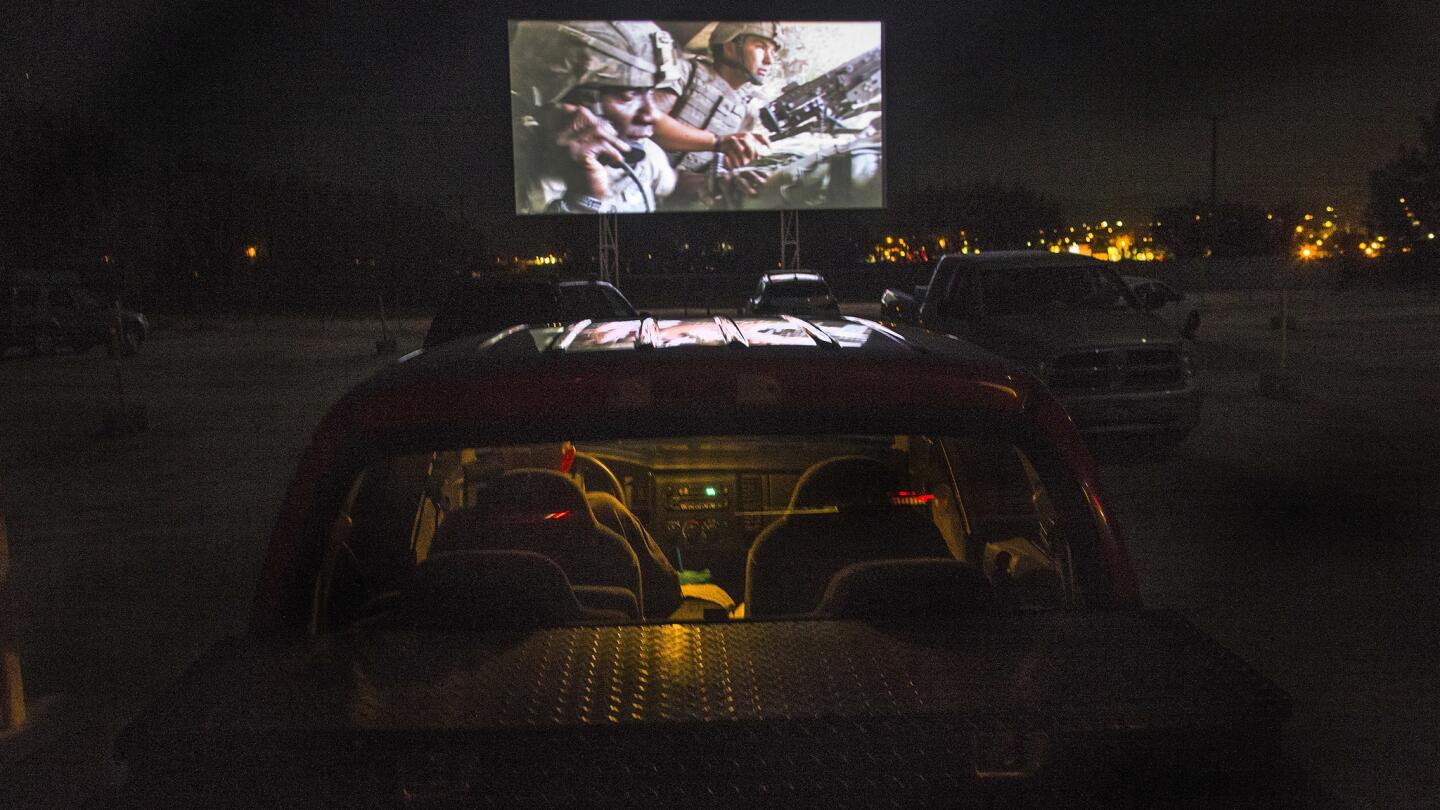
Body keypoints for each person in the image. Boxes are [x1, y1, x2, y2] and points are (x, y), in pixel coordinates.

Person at [510, 21, 679, 214]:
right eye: (629, 95)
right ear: (569, 99)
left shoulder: (643, 150)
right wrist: (584, 197)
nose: (652, 115)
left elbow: (667, 186)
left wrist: (702, 184)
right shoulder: (521, 169)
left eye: (650, 92)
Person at [651, 22, 786, 208]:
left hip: (676, 197)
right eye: (760, 47)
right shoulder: (685, 71)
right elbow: (647, 124)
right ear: (730, 47)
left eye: (773, 52)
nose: (769, 60)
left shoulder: (747, 109)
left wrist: (728, 173)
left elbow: (708, 172)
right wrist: (718, 142)